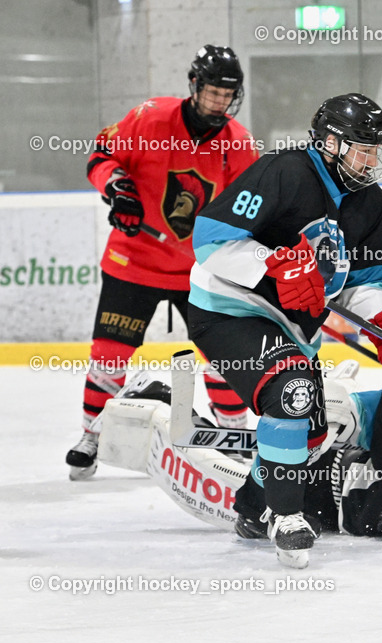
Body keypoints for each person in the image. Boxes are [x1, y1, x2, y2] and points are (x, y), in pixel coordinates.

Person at [186, 93, 382, 568]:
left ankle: (254, 509)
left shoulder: (370, 202)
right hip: (229, 309)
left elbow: (361, 284)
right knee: (292, 389)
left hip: (295, 327)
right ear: (330, 143)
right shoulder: (286, 171)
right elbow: (210, 238)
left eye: (375, 150)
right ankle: (286, 515)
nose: (371, 160)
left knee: (314, 435)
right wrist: (276, 266)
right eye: (362, 148)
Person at [66, 45, 259, 481]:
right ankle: (91, 435)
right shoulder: (150, 118)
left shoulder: (239, 145)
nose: (218, 103)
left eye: (226, 95)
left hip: (200, 271)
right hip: (133, 260)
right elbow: (101, 155)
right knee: (110, 354)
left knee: (224, 357)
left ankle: (235, 438)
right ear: (194, 86)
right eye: (211, 93)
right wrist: (119, 189)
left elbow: (249, 211)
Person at [89, 365, 382, 548]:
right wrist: (333, 416)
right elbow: (359, 412)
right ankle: (156, 400)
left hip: (319, 517)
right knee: (187, 467)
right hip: (298, 486)